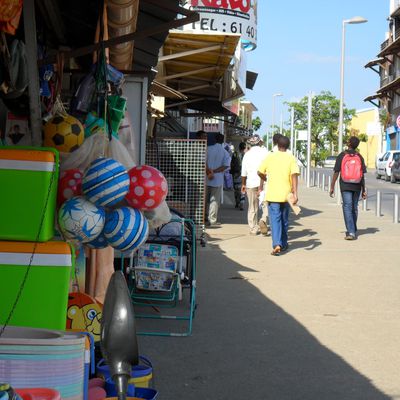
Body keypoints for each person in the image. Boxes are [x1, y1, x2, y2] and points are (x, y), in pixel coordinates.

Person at [258, 135, 299, 255]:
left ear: (277, 145)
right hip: (286, 195)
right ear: (287, 146)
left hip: (273, 194)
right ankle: (284, 243)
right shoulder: (291, 158)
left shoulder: (270, 156)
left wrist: (265, 178)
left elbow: (259, 172)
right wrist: (295, 193)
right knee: (284, 220)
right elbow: (294, 176)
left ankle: (277, 244)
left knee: (275, 220)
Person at [329, 136, 367, 240]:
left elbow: (336, 172)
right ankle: (353, 229)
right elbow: (362, 175)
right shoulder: (360, 156)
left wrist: (332, 186)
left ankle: (351, 232)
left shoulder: (342, 155)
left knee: (347, 207)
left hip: (345, 185)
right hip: (357, 185)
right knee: (354, 207)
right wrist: (364, 190)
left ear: (349, 144)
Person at [241, 135, 269, 235]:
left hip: (251, 183)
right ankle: (264, 219)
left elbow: (243, 172)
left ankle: (253, 228)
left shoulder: (247, 155)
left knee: (252, 207)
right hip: (264, 182)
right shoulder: (266, 153)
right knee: (265, 204)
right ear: (260, 142)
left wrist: (243, 184)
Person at [206, 133, 231, 226]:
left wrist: (209, 171)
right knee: (214, 201)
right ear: (222, 140)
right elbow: (226, 166)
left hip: (206, 178)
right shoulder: (225, 152)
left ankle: (203, 218)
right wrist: (214, 171)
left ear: (215, 139)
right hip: (217, 180)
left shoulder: (208, 149)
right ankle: (212, 221)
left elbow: (203, 161)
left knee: (204, 200)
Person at [231, 142, 246, 210]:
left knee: (236, 189)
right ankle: (242, 203)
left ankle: (237, 202)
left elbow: (232, 163)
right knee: (243, 188)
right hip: (243, 174)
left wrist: (232, 172)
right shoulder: (246, 155)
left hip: (236, 174)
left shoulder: (235, 154)